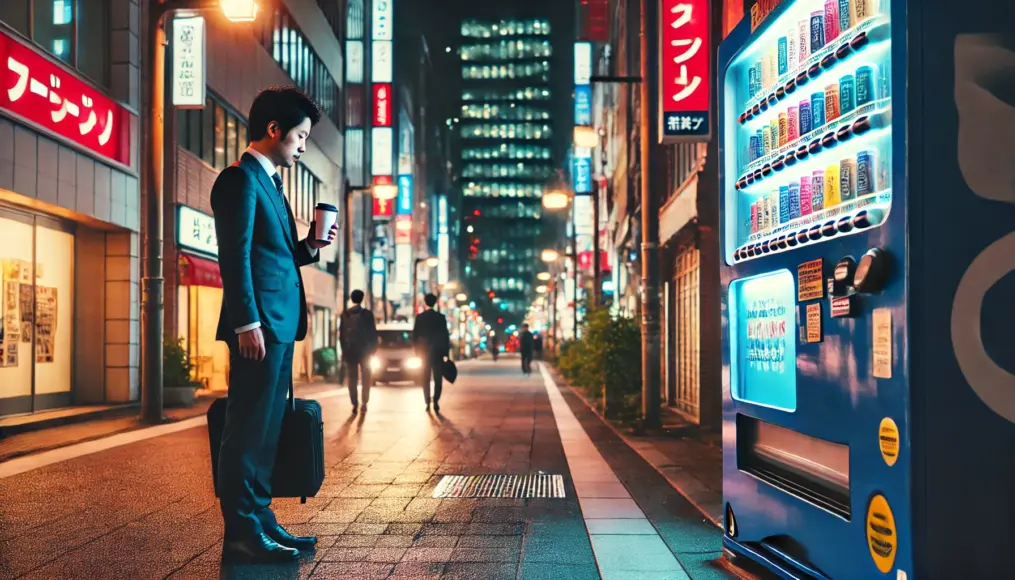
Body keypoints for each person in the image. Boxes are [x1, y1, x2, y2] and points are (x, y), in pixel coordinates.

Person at [211, 86, 335, 563]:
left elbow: (276, 257)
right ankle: (241, 532)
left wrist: (311, 245)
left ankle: (261, 519)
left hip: (279, 325)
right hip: (259, 326)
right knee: (246, 429)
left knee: (267, 428)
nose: (303, 146)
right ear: (273, 130)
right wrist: (246, 322)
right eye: (300, 136)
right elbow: (235, 256)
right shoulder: (239, 180)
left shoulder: (271, 184)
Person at [339, 290, 378, 414]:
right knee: (366, 377)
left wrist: (344, 350)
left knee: (352, 377)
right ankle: (364, 402)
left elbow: (342, 335)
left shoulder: (345, 314)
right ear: (362, 299)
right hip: (365, 351)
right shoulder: (367, 314)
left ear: (351, 299)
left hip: (350, 351)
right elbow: (373, 333)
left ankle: (354, 402)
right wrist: (373, 349)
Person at [412, 293, 451, 413]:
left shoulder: (420, 318)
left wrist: (417, 351)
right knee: (438, 377)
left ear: (425, 302)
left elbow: (415, 336)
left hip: (424, 352)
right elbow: (445, 336)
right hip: (438, 351)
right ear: (435, 303)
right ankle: (436, 400)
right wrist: (446, 352)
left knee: (425, 377)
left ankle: (427, 400)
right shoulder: (440, 317)